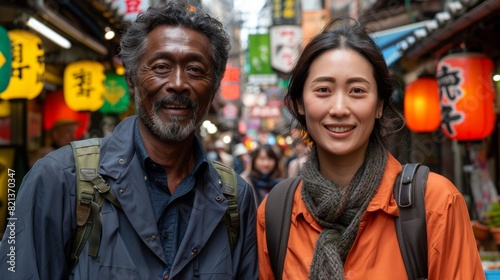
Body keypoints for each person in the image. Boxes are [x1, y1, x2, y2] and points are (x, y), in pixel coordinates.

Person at [0, 2, 258, 279]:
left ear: (215, 86)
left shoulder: (234, 198)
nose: (179, 83)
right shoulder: (60, 179)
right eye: (161, 67)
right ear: (132, 80)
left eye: (195, 70)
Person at [256, 17, 485, 279]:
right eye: (323, 90)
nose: (339, 109)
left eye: (356, 90)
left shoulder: (435, 204)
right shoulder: (277, 213)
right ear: (298, 103)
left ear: (379, 105)